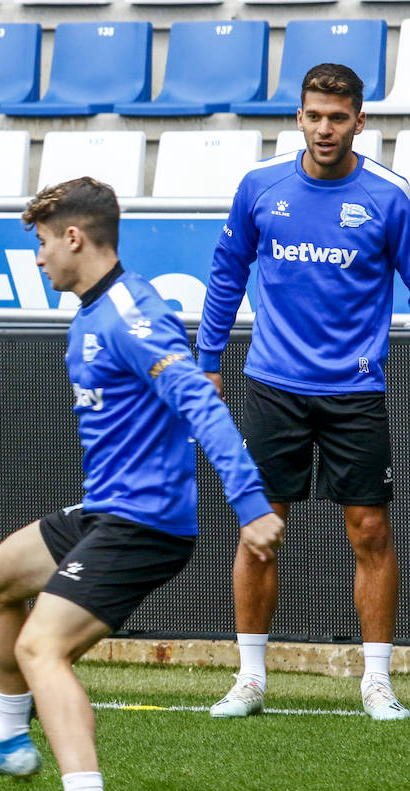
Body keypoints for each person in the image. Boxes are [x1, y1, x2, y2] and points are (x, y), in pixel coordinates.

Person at [0, 177, 285, 791]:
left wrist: (250, 503)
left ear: (74, 237)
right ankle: (10, 736)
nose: (38, 258)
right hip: (108, 510)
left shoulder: (131, 317)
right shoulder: (94, 310)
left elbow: (200, 403)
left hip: (145, 523)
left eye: (42, 244)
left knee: (44, 647)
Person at [200, 63, 410, 721]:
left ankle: (377, 681)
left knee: (370, 530)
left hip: (355, 391)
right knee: (262, 529)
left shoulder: (389, 197)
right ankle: (251, 678)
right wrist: (209, 360)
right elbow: (227, 271)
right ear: (299, 116)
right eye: (314, 115)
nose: (325, 128)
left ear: (359, 122)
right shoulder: (261, 187)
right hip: (272, 388)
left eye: (338, 117)